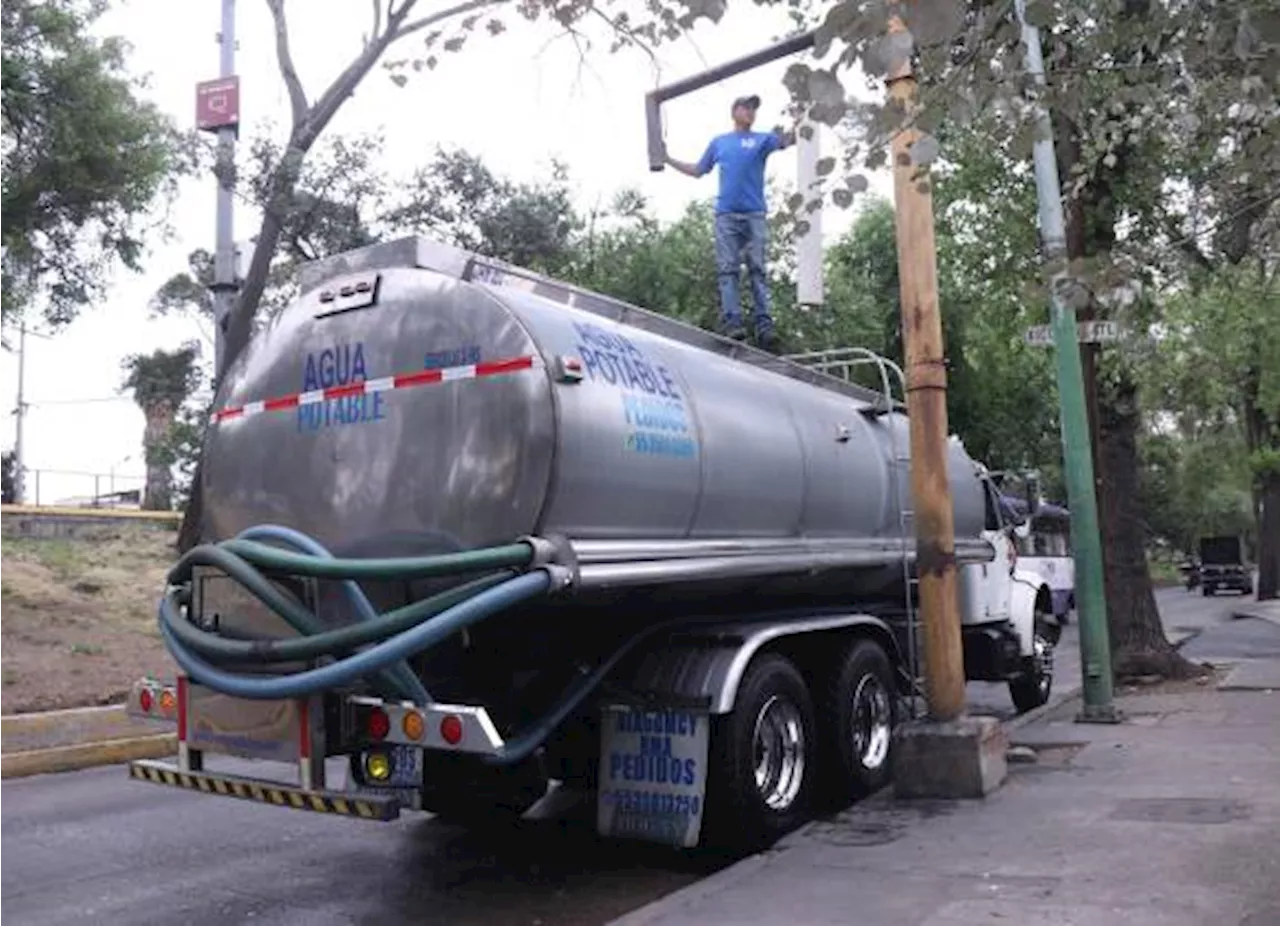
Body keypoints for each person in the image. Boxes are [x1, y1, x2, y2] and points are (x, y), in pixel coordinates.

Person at [664, 94, 793, 352]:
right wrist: (668, 159)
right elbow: (699, 170)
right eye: (746, 107)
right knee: (727, 269)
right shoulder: (720, 142)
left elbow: (789, 139)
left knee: (758, 269)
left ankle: (764, 326)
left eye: (754, 109)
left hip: (754, 213)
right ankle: (732, 322)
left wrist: (803, 113)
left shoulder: (762, 139)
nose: (751, 112)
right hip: (726, 214)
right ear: (734, 111)